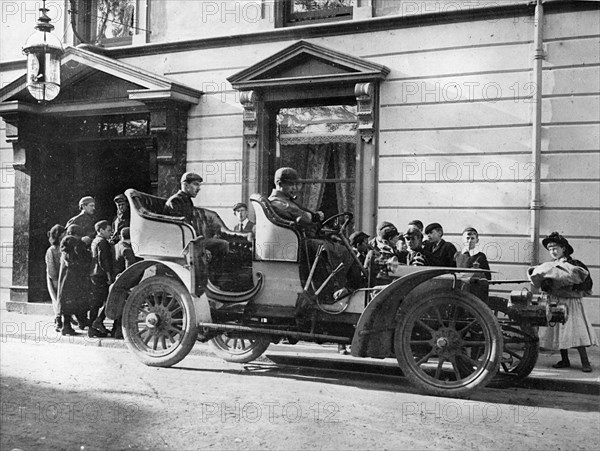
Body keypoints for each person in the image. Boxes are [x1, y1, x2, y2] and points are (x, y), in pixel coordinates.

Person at [165, 172, 250, 290]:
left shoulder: (185, 200)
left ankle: (215, 282)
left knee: (222, 244)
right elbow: (182, 228)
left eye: (199, 185)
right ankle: (213, 283)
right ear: (185, 185)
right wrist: (201, 248)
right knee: (222, 244)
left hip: (192, 239)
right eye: (195, 184)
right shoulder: (176, 201)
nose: (199, 188)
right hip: (185, 242)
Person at [528, 232, 598, 372]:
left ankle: (585, 362)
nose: (553, 251)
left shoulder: (575, 265)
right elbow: (543, 284)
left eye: (555, 248)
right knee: (559, 331)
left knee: (576, 330)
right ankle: (565, 360)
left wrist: (567, 283)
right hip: (556, 300)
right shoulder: (548, 266)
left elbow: (584, 282)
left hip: (571, 302)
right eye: (550, 249)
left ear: (564, 248)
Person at [56, 225, 92, 336]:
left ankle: (66, 326)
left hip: (66, 279)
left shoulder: (65, 247)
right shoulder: (72, 240)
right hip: (73, 278)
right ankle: (67, 327)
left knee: (67, 302)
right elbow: (81, 257)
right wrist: (83, 242)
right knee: (74, 300)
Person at [89, 220, 114, 338]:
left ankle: (94, 326)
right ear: (101, 230)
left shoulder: (95, 241)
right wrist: (109, 275)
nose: (111, 232)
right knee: (106, 300)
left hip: (94, 274)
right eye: (108, 230)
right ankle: (96, 323)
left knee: (96, 301)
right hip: (101, 275)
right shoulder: (102, 242)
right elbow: (104, 261)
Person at [45, 224, 65, 331]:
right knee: (56, 298)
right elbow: (51, 267)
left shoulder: (62, 247)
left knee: (60, 298)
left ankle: (60, 319)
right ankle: (58, 320)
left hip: (62, 277)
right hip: (54, 278)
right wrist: (56, 280)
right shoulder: (51, 250)